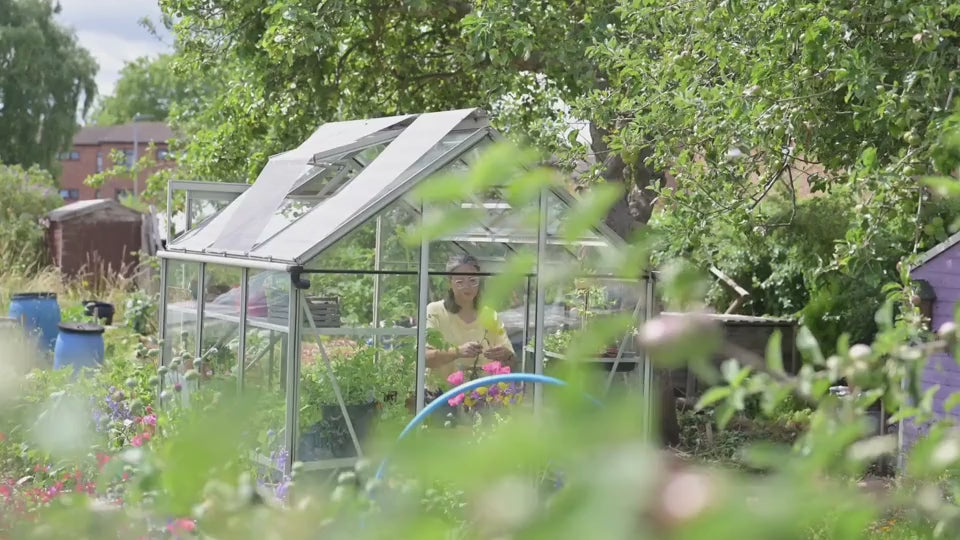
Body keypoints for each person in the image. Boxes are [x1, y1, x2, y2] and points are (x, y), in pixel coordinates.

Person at [424, 254, 515, 401]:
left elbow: (511, 362)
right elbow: (425, 358)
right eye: (460, 282)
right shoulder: (435, 311)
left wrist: (506, 355)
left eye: (473, 281)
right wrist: (458, 352)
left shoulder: (490, 315)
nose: (467, 287)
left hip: (482, 398)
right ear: (450, 282)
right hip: (441, 398)